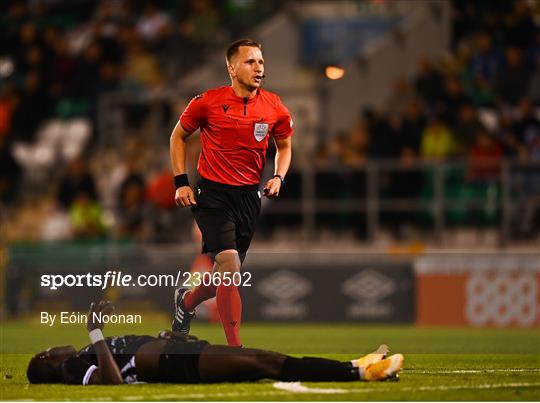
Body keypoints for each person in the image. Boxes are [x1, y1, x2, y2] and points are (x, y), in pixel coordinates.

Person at [169, 39, 293, 346]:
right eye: (250, 62)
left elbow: (286, 146)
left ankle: (186, 304)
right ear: (231, 68)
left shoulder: (274, 106)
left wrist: (278, 176)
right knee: (231, 265)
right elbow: (178, 136)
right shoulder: (207, 102)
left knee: (224, 277)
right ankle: (234, 348)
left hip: (249, 198)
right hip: (212, 195)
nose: (258, 68)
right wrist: (181, 181)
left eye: (261, 62)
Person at [27, 300, 404, 385]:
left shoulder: (79, 356)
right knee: (263, 363)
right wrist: (94, 331)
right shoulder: (71, 366)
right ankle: (358, 372)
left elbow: (128, 353)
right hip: (176, 366)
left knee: (265, 357)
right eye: (50, 350)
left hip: (178, 352)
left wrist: (164, 337)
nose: (56, 347)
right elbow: (111, 382)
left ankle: (355, 365)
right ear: (47, 360)